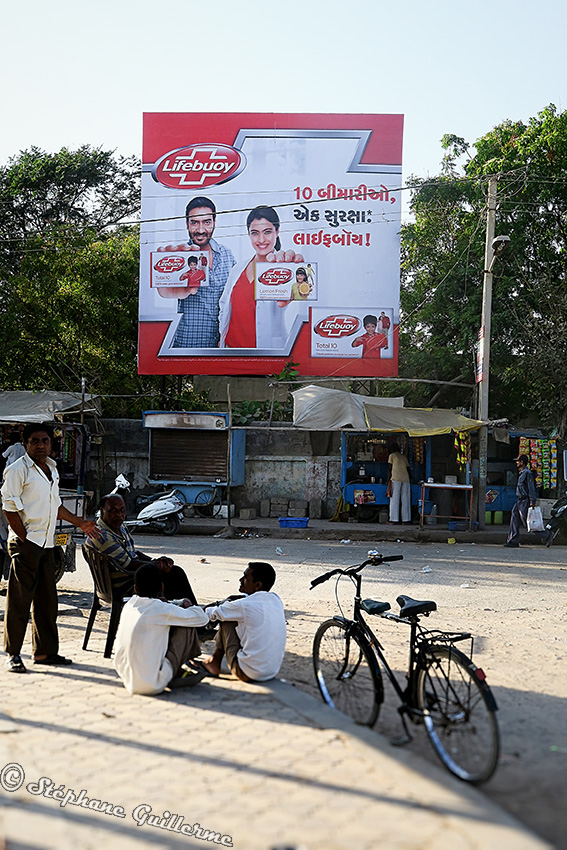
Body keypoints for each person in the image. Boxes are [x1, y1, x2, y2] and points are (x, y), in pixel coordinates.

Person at [1, 423, 99, 673]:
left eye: (45, 441)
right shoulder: (17, 470)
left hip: (48, 544)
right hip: (27, 545)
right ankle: (13, 654)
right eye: (35, 441)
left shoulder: (51, 469)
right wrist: (24, 539)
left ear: (50, 444)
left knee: (47, 602)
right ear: (25, 444)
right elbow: (9, 508)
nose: (40, 445)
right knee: (19, 603)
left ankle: (45, 653)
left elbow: (55, 507)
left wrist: (80, 523)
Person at [113, 565, 209, 695]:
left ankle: (171, 668)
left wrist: (175, 603)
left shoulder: (129, 605)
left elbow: (161, 607)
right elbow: (201, 619)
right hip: (152, 684)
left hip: (127, 679)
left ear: (135, 588)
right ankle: (177, 670)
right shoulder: (160, 609)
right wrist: (190, 606)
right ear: (162, 587)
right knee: (186, 624)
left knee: (170, 621)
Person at [219, 205, 305, 349]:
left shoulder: (284, 267)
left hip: (265, 355)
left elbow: (293, 303)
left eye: (267, 232)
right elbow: (224, 307)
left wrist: (293, 271)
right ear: (248, 234)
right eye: (254, 233)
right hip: (231, 353)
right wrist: (222, 336)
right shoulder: (238, 269)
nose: (261, 239)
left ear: (277, 231)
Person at [85, 494, 198, 602]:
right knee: (174, 575)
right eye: (112, 511)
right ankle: (190, 615)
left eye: (122, 510)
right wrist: (157, 566)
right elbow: (129, 564)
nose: (118, 515)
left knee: (173, 572)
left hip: (128, 577)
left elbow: (133, 554)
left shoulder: (118, 526)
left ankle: (188, 614)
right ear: (101, 511)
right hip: (122, 585)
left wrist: (156, 561)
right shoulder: (101, 535)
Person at [156, 196, 236, 348]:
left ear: (214, 223)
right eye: (194, 222)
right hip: (189, 344)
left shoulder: (227, 255)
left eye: (206, 222)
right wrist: (166, 287)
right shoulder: (179, 257)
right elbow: (165, 292)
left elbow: (235, 299)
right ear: (187, 224)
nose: (200, 230)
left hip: (222, 346)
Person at [199, 562, 286, 683]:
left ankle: (214, 663)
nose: (241, 580)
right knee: (233, 615)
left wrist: (193, 609)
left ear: (258, 585)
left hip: (247, 672)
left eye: (245, 578)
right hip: (270, 671)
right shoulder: (275, 599)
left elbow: (211, 613)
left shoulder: (244, 606)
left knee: (227, 619)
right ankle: (214, 661)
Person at [504, 454, 550, 548]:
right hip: (519, 500)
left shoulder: (527, 473)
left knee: (528, 521)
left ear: (522, 462)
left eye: (518, 461)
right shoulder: (521, 473)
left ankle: (546, 535)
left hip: (525, 500)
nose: (516, 463)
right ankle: (513, 540)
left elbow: (531, 488)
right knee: (514, 517)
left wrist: (532, 501)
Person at [387, 442, 411, 524]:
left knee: (395, 499)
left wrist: (388, 480)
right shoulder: (403, 457)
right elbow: (408, 469)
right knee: (405, 499)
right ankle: (406, 519)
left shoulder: (392, 456)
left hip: (396, 478)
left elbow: (389, 469)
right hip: (406, 479)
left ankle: (394, 519)